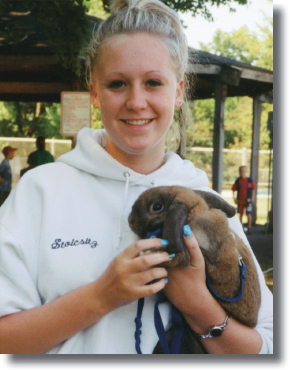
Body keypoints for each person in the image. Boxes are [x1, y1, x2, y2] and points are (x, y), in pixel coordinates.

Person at [0, 0, 272, 354]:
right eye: (117, 84)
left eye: (154, 82)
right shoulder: (41, 192)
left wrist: (197, 305)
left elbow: (267, 347)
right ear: (94, 92)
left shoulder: (201, 200)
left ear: (177, 92)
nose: (136, 101)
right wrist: (102, 296)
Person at [232, 165, 255, 234]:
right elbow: (233, 189)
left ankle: (249, 227)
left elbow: (253, 189)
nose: (243, 173)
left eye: (244, 171)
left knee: (249, 214)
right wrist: (235, 198)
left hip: (248, 200)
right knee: (241, 214)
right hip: (240, 200)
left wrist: (252, 197)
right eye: (241, 171)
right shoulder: (238, 181)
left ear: (246, 172)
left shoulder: (250, 180)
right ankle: (241, 228)